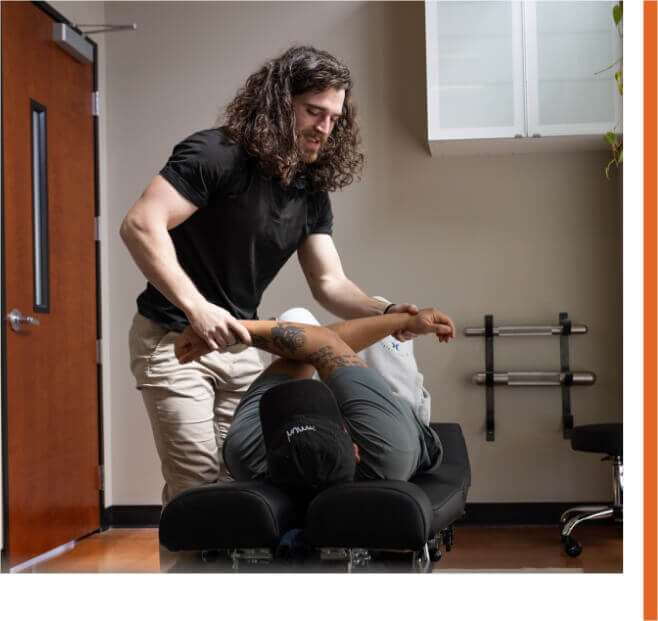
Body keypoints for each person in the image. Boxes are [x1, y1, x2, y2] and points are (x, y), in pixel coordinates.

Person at [121, 45, 423, 506]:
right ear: (280, 103)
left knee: (245, 484)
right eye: (313, 112)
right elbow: (141, 224)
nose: (324, 128)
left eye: (334, 118)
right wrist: (197, 308)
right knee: (197, 488)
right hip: (173, 340)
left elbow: (329, 283)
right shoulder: (216, 154)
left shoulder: (309, 190)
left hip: (238, 343)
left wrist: (385, 311)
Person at [174, 306, 456, 496]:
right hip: (395, 411)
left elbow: (305, 352)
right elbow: (322, 344)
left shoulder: (248, 451)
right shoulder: (387, 447)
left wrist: (220, 333)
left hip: (352, 424)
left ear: (268, 466)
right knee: (384, 308)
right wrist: (405, 322)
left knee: (296, 317)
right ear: (356, 449)